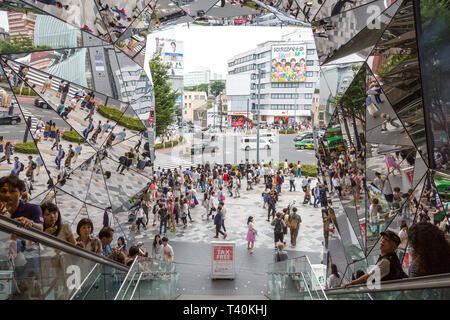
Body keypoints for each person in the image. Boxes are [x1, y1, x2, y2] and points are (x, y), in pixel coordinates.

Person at [342, 230, 407, 288]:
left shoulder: (386, 261)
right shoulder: (391, 258)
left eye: (387, 240)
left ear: (394, 246)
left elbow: (368, 277)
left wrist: (351, 283)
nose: (383, 240)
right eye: (382, 238)